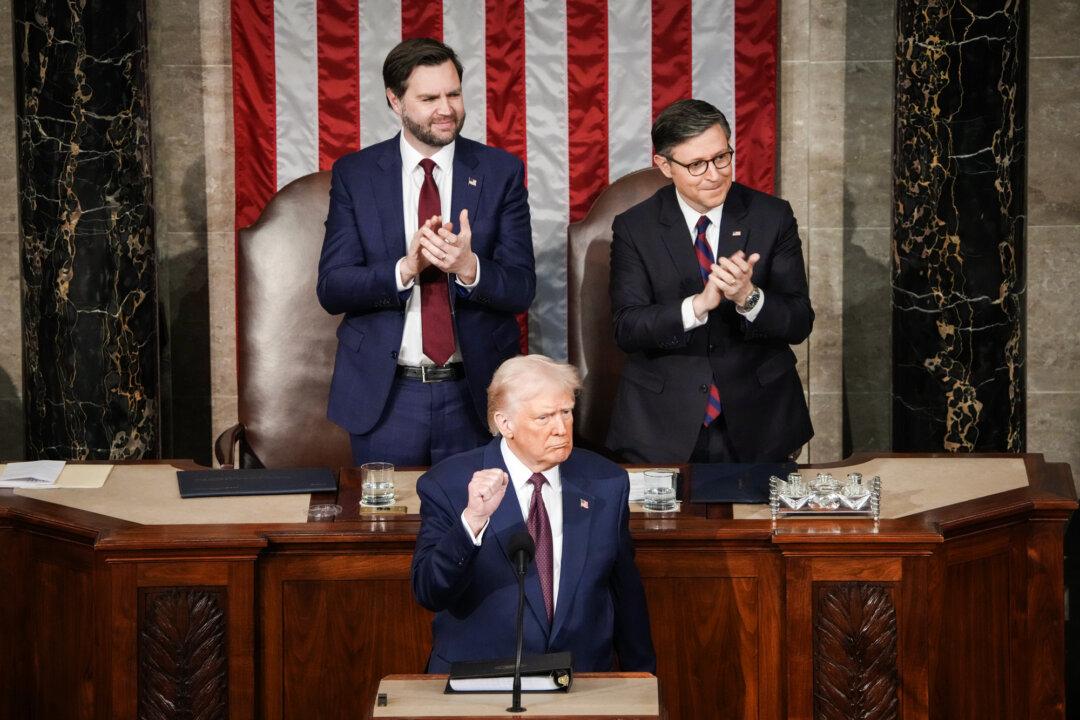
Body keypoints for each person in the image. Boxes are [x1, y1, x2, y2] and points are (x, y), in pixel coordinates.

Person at [317, 38, 535, 467]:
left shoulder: (499, 171)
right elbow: (333, 287)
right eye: (429, 97)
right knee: (388, 530)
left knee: (481, 528)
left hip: (475, 395)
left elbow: (522, 288)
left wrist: (469, 268)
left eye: (453, 93)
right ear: (395, 101)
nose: (446, 108)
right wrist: (406, 268)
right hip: (388, 398)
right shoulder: (356, 175)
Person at [411, 355, 656, 673]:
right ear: (505, 424)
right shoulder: (449, 484)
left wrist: (642, 677)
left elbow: (625, 591)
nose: (561, 429)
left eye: (566, 412)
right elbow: (429, 590)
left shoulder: (606, 481)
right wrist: (471, 520)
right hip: (481, 679)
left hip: (581, 679)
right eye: (544, 418)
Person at [607, 99, 813, 464]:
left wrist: (749, 297)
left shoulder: (772, 216)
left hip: (760, 420)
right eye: (696, 164)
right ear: (664, 166)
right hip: (662, 424)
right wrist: (697, 306)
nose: (715, 174)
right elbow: (628, 327)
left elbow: (799, 321)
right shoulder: (634, 227)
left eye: (722, 157)